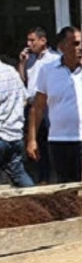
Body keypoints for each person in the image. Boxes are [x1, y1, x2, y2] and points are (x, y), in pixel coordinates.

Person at [26, 27, 82, 183]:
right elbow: (38, 107)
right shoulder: (48, 70)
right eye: (75, 43)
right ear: (62, 47)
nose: (80, 48)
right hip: (59, 139)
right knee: (65, 187)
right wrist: (32, 139)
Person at [18, 26, 59, 183]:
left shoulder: (54, 59)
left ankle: (50, 176)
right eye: (28, 40)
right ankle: (41, 176)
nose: (29, 44)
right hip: (32, 105)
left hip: (48, 105)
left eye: (32, 40)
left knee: (49, 141)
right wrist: (22, 64)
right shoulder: (30, 60)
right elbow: (23, 82)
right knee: (35, 142)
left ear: (43, 41)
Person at [0, 58, 33, 187]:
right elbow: (25, 99)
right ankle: (38, 202)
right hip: (15, 136)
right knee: (18, 174)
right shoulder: (11, 71)